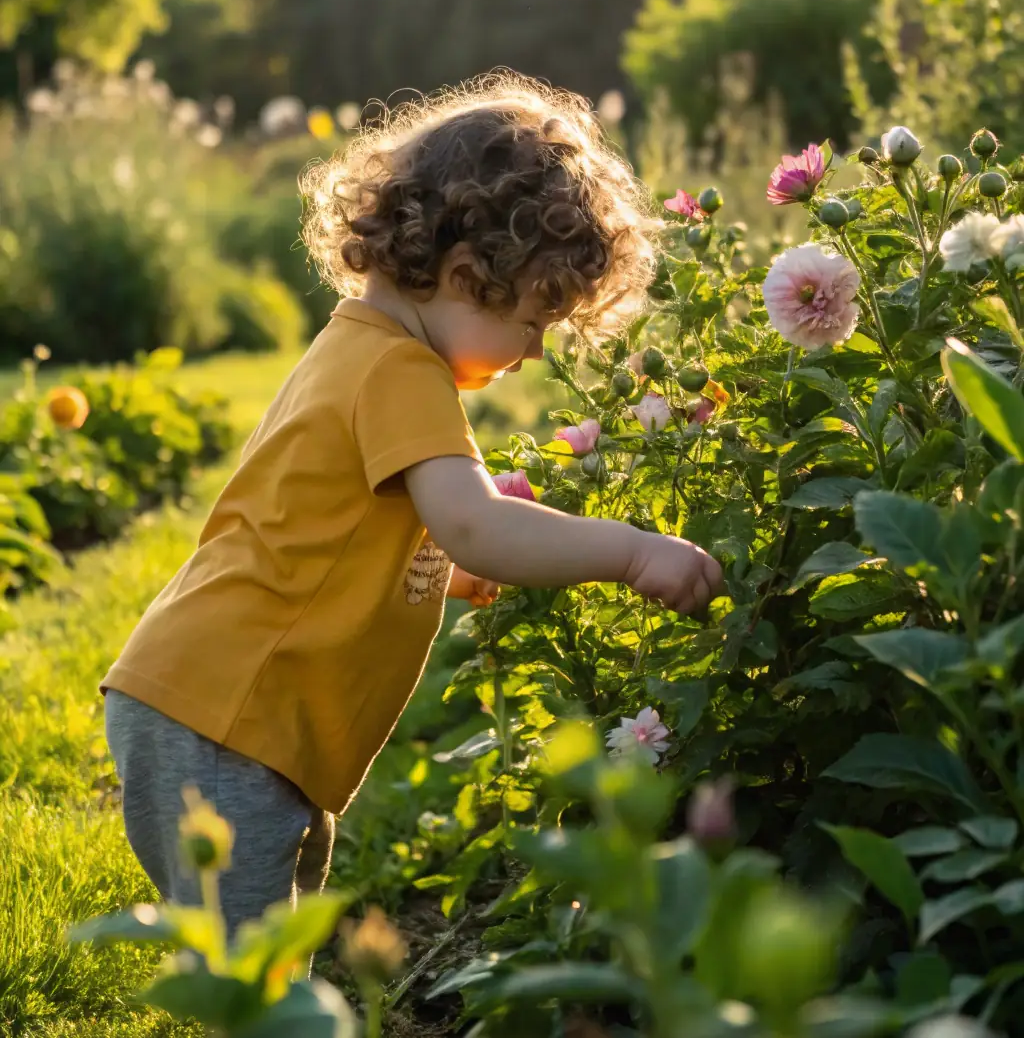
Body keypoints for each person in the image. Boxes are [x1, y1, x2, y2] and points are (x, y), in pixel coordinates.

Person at [101, 73, 723, 940]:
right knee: (252, 978)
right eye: (537, 321)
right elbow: (473, 519)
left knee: (270, 952)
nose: (536, 352)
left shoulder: (356, 344)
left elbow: (349, 519)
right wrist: (629, 552)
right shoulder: (401, 370)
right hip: (228, 720)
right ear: (467, 276)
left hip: (226, 714)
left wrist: (443, 571)